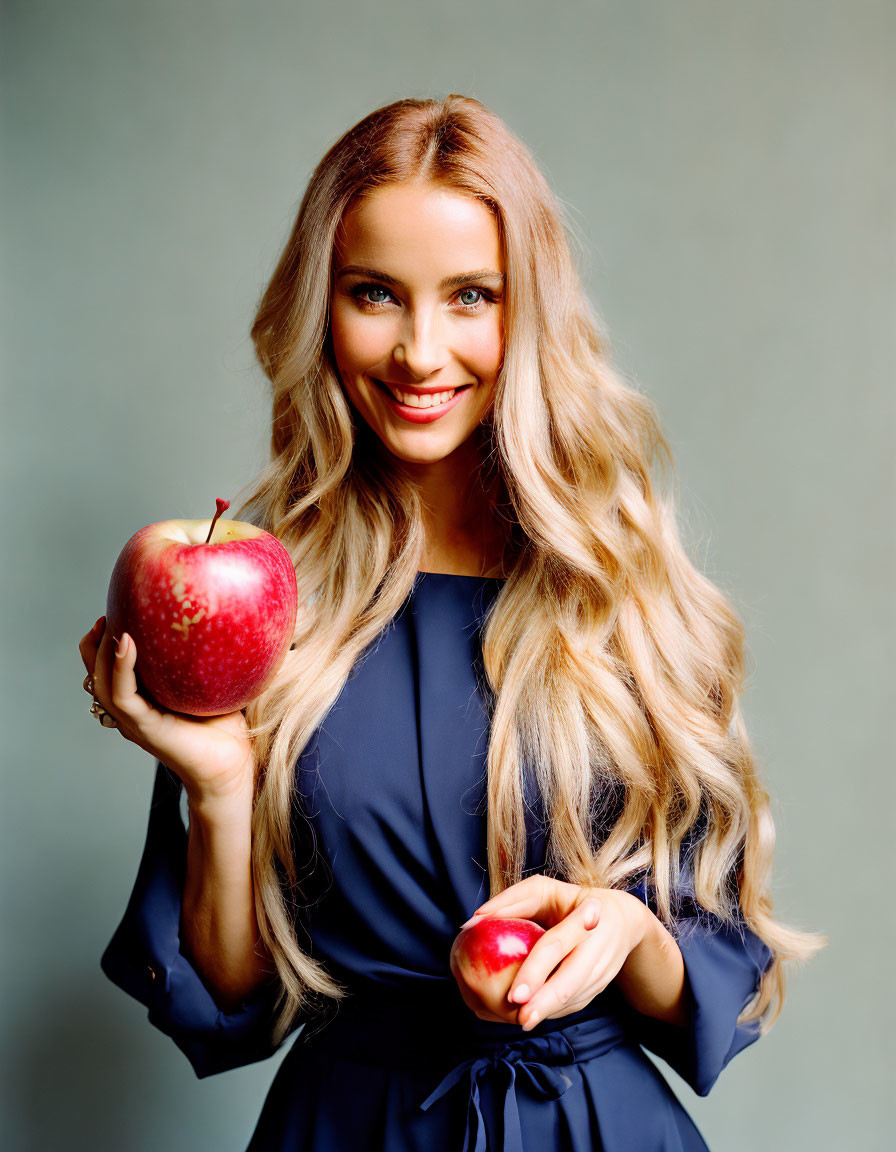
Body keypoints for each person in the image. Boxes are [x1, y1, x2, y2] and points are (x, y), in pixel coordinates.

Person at [79, 94, 825, 1151]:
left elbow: (718, 968)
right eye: (374, 294)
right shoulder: (260, 599)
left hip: (591, 1127)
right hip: (352, 1125)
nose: (420, 352)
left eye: (470, 296)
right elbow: (233, 997)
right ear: (319, 310)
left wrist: (626, 935)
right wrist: (220, 782)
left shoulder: (623, 589)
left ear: (528, 314)